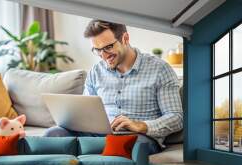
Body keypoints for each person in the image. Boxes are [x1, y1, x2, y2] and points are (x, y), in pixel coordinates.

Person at [43, 20, 183, 154]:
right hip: (97, 136)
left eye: (108, 47)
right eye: (97, 50)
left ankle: (86, 153)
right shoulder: (96, 72)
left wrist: (140, 125)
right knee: (53, 135)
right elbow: (84, 113)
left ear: (125, 38)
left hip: (137, 137)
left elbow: (176, 118)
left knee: (122, 146)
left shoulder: (160, 69)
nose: (103, 56)